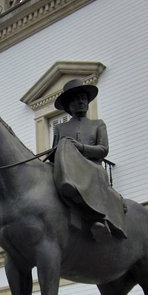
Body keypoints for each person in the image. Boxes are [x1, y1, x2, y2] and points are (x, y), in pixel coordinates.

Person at [49, 79, 126, 241]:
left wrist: (80, 147)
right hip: (69, 168)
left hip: (92, 167)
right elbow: (54, 154)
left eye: (83, 98)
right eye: (77, 99)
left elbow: (103, 149)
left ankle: (99, 220)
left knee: (95, 173)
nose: (81, 102)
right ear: (69, 105)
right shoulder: (61, 128)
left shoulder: (98, 125)